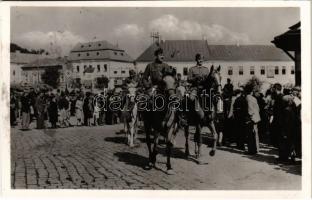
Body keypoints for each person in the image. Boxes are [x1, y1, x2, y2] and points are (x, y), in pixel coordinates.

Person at [187, 53, 211, 162]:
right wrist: (195, 78)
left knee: (213, 98)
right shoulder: (192, 69)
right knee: (190, 99)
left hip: (204, 90)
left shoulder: (206, 70)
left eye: (202, 59)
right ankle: (186, 115)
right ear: (196, 60)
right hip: (195, 89)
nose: (200, 60)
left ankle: (212, 115)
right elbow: (188, 79)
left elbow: (209, 80)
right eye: (199, 59)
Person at [245, 84, 261, 155]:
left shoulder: (248, 97)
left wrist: (250, 117)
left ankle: (251, 150)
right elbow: (258, 109)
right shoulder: (254, 98)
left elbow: (249, 109)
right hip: (256, 117)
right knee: (255, 134)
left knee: (250, 134)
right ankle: (256, 149)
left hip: (251, 118)